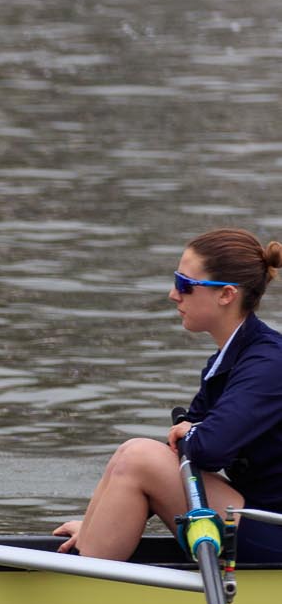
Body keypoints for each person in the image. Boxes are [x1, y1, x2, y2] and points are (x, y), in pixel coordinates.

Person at [55, 229, 282, 561]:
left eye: (185, 284)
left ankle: (80, 592)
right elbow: (179, 456)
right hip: (255, 516)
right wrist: (96, 523)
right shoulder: (228, 361)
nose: (173, 294)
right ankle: (92, 544)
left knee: (138, 456)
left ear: (226, 295)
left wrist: (192, 431)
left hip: (273, 529)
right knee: (131, 455)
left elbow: (208, 447)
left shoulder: (270, 364)